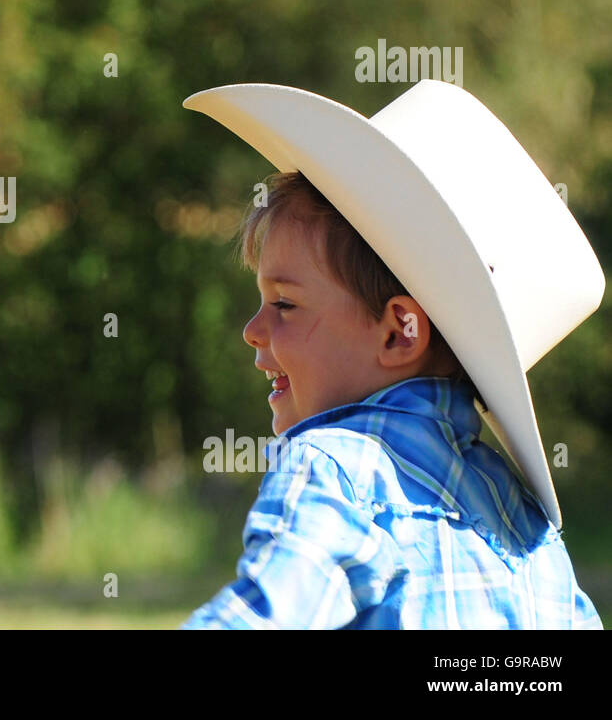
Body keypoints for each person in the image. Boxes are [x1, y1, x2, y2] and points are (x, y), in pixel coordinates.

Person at [178, 79, 604, 629]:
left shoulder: (335, 470)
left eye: (284, 303)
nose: (252, 329)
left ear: (400, 332)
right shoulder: (527, 530)